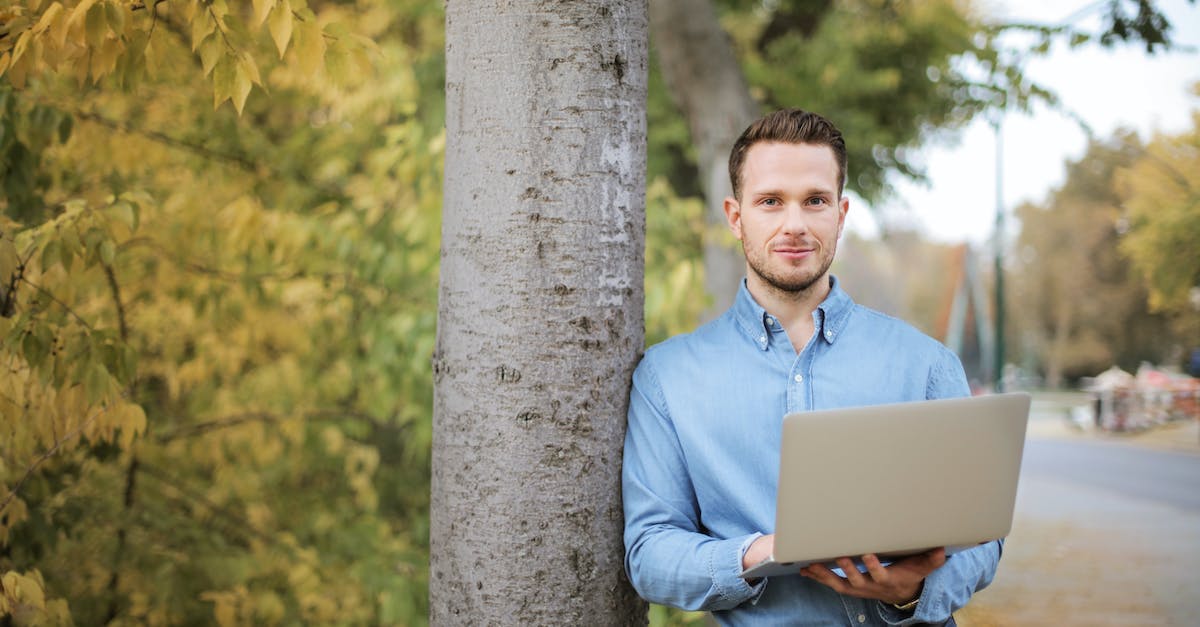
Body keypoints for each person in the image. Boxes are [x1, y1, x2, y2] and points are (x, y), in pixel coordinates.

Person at [622, 109, 1000, 626]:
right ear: (736, 216)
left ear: (841, 215)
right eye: (770, 201)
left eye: (815, 201)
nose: (794, 224)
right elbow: (649, 554)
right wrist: (759, 554)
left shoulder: (927, 365)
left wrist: (912, 590)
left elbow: (982, 536)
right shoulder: (667, 379)